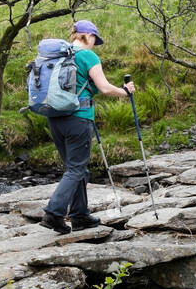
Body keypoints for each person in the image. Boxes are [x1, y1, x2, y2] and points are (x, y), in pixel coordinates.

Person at [42, 19, 136, 233]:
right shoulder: (87, 55)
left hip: (55, 118)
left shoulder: (59, 56)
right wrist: (125, 91)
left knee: (76, 169)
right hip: (79, 118)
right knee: (76, 169)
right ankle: (53, 213)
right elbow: (104, 88)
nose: (95, 43)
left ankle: (79, 215)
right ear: (89, 36)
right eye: (95, 39)